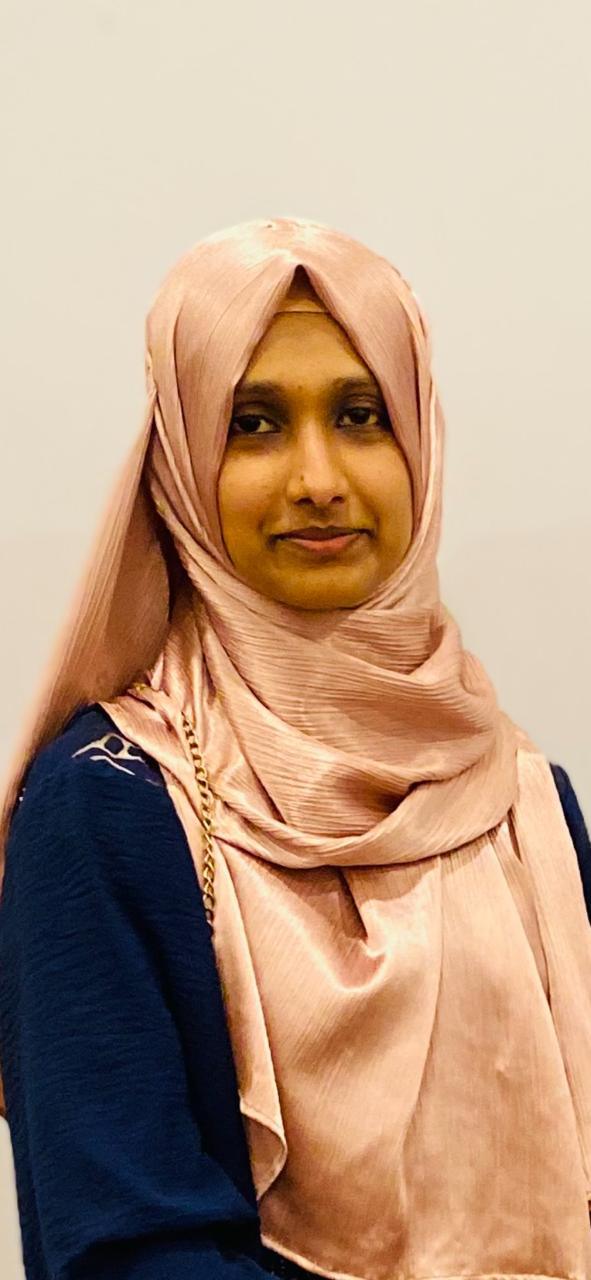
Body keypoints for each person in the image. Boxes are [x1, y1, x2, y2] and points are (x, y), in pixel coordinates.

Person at [0, 217, 590, 1280]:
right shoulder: (107, 805)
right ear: (181, 462)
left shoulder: (525, 801)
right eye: (255, 424)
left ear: (418, 441)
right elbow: (128, 1249)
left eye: (360, 416)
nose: (318, 477)